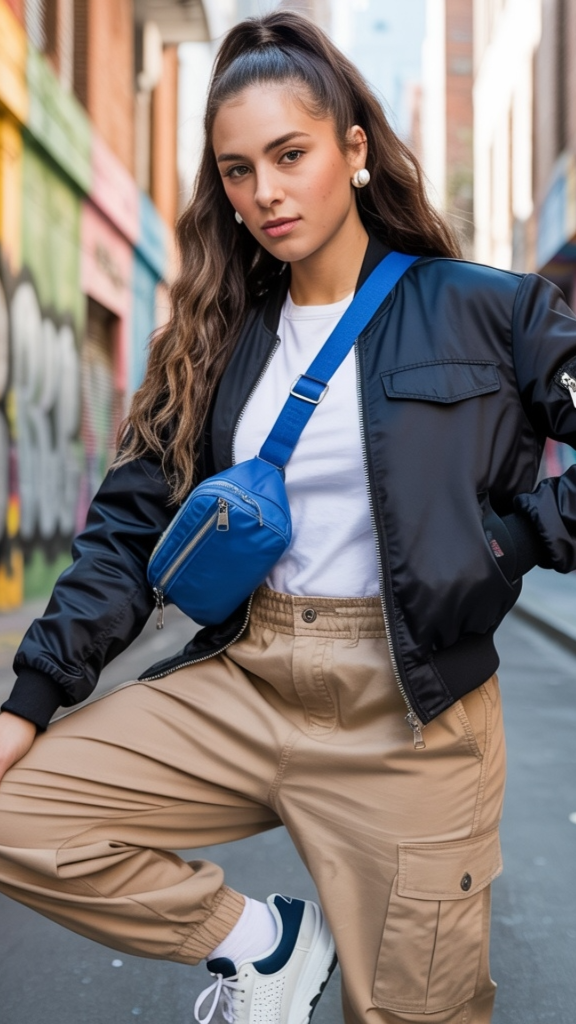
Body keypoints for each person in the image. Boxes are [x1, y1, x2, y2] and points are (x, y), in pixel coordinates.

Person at [1, 10, 575, 1024]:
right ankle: (262, 946)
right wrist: (30, 697)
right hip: (249, 676)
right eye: (237, 170)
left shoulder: (489, 309)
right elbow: (126, 531)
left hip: (412, 711)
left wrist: (516, 539)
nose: (263, 191)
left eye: (289, 155)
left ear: (353, 151)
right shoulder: (215, 334)